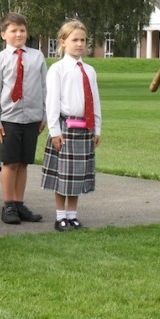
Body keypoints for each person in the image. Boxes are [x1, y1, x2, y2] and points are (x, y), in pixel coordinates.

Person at [41, 20, 101, 231]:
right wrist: (54, 131)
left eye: (83, 40)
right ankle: (60, 217)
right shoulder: (57, 69)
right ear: (63, 42)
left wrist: (97, 128)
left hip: (85, 128)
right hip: (65, 127)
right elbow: (52, 103)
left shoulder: (90, 70)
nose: (79, 44)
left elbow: (95, 100)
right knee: (63, 174)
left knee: (77, 174)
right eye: (75, 40)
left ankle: (73, 216)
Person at [0, 12, 46, 225]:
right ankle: (8, 205)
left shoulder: (36, 56)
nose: (19, 34)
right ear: (4, 34)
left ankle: (20, 203)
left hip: (31, 117)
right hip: (8, 119)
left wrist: (44, 114)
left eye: (22, 30)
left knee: (23, 163)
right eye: (13, 31)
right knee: (10, 163)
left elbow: (43, 87)